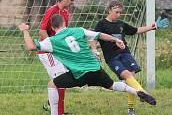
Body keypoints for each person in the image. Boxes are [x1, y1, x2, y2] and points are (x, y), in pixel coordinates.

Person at [18, 14, 156, 115]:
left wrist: (25, 30)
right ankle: (138, 92)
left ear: (53, 28)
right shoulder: (79, 30)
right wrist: (115, 39)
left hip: (79, 74)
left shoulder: (51, 40)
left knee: (52, 84)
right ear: (65, 23)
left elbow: (31, 46)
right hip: (95, 69)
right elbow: (99, 35)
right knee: (112, 85)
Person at [93, 1, 169, 115]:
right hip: (112, 58)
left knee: (131, 78)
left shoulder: (121, 24)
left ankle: (130, 108)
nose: (118, 15)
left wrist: (154, 26)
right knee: (127, 75)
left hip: (125, 54)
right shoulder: (101, 24)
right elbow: (93, 38)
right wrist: (94, 50)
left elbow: (136, 30)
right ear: (109, 10)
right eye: (116, 12)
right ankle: (143, 94)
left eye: (120, 13)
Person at [38, 0, 76, 114]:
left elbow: (63, 33)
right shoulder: (52, 10)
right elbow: (42, 30)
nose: (72, 3)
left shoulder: (65, 12)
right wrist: (53, 46)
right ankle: (59, 111)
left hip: (58, 51)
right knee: (60, 80)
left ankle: (50, 104)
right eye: (71, 0)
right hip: (47, 51)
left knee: (62, 80)